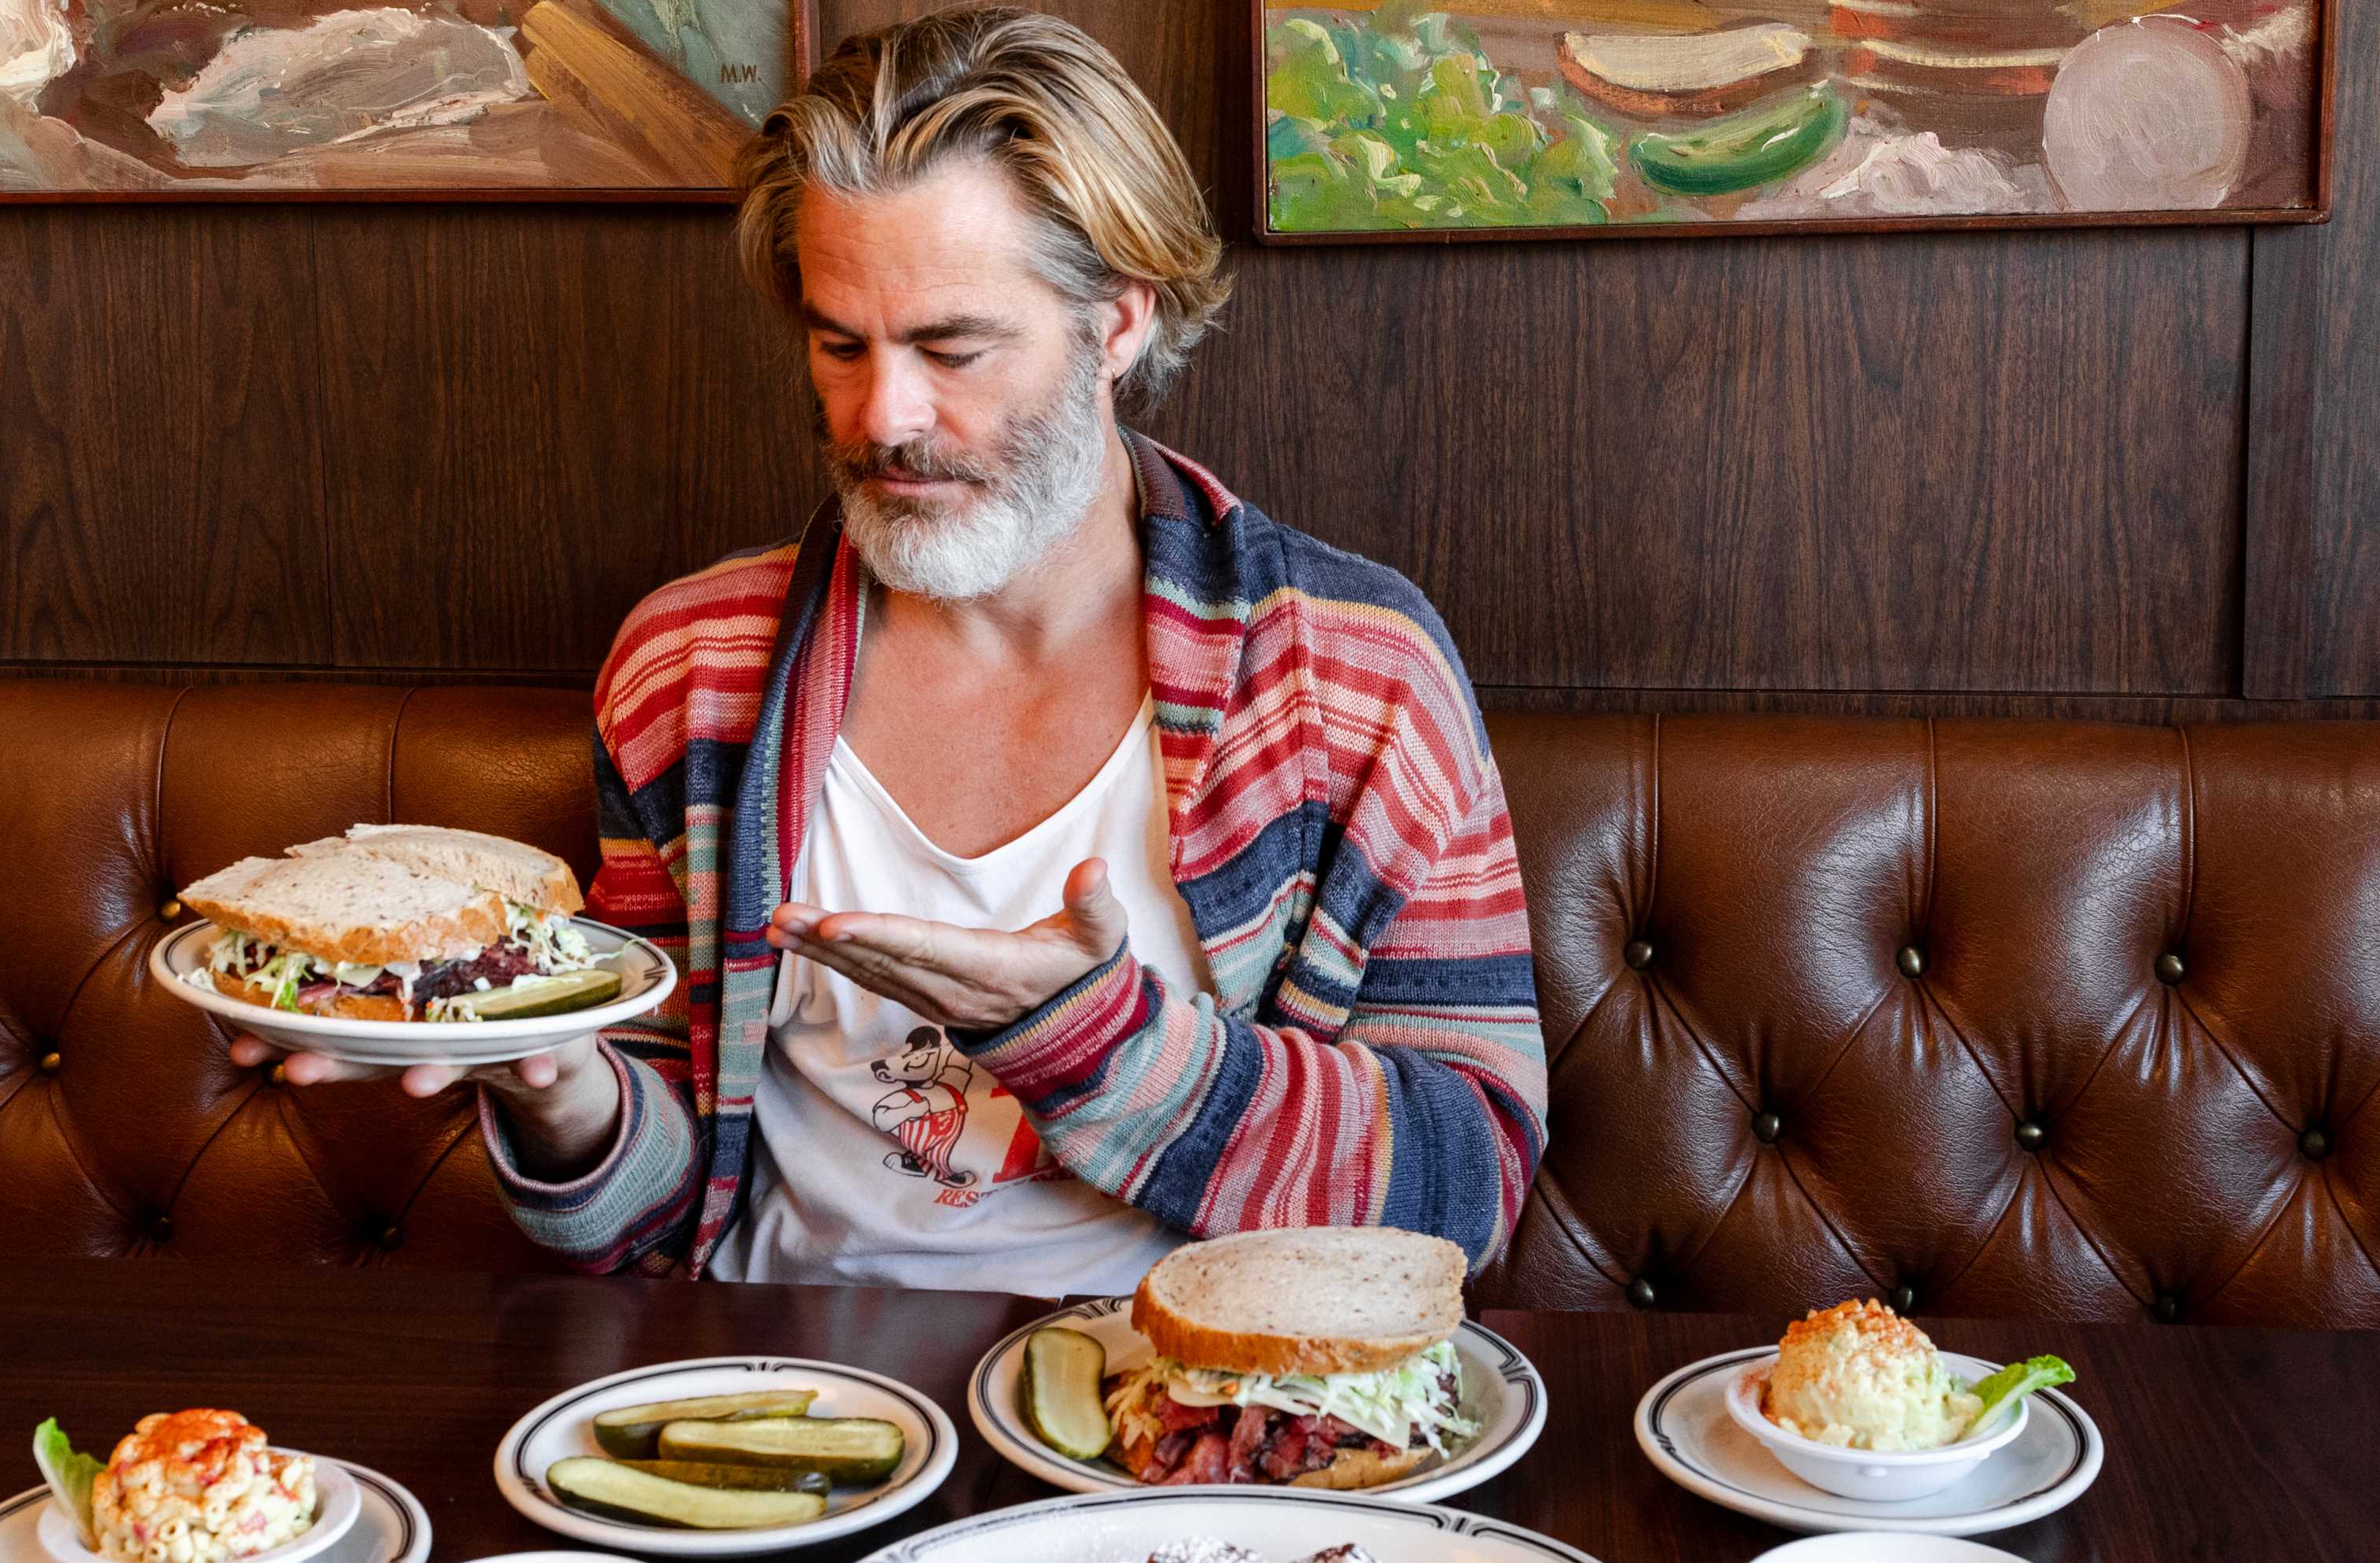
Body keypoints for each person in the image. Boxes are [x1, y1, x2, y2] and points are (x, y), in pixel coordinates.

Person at [232, 7, 1546, 1295]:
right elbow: (643, 1219)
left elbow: (1468, 1190)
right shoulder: (690, 669)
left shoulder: (1353, 672)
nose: (884, 417)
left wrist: (1093, 1040)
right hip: (772, 1397)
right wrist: (562, 1085)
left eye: (953, 346)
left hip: (1168, 1421)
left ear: (1120, 323)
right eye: (837, 344)